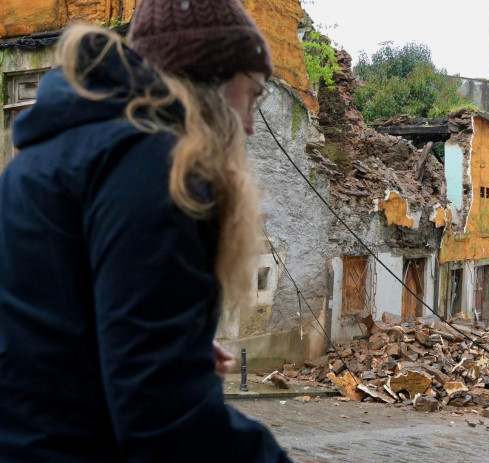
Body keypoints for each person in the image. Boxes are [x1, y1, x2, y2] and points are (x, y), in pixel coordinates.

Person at [0, 0, 292, 461]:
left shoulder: (49, 154)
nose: (251, 125)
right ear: (211, 78)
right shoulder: (159, 167)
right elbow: (163, 417)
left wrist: (168, 332)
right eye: (252, 94)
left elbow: (45, 324)